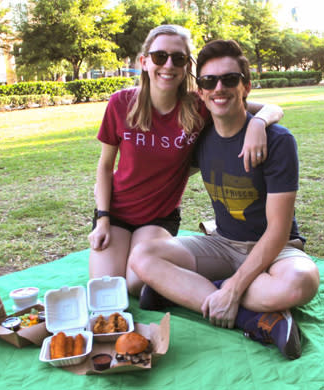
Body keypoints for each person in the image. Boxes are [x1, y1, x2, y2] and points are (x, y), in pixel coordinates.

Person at [130, 39, 320, 360]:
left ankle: (186, 292)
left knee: (301, 283)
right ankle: (253, 317)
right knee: (142, 260)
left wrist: (233, 287)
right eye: (209, 81)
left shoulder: (278, 141)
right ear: (201, 92)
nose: (219, 88)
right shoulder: (200, 137)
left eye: (229, 80)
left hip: (276, 250)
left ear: (246, 86)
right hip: (222, 244)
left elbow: (277, 231)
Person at [88, 25, 283, 297]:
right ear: (144, 62)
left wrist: (258, 124)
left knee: (134, 284)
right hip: (117, 213)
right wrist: (102, 219)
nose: (168, 65)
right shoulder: (121, 103)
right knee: (107, 289)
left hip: (158, 217)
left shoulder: (199, 104)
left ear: (186, 66)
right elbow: (105, 167)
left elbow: (272, 107)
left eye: (178, 58)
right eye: (159, 57)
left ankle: (178, 285)